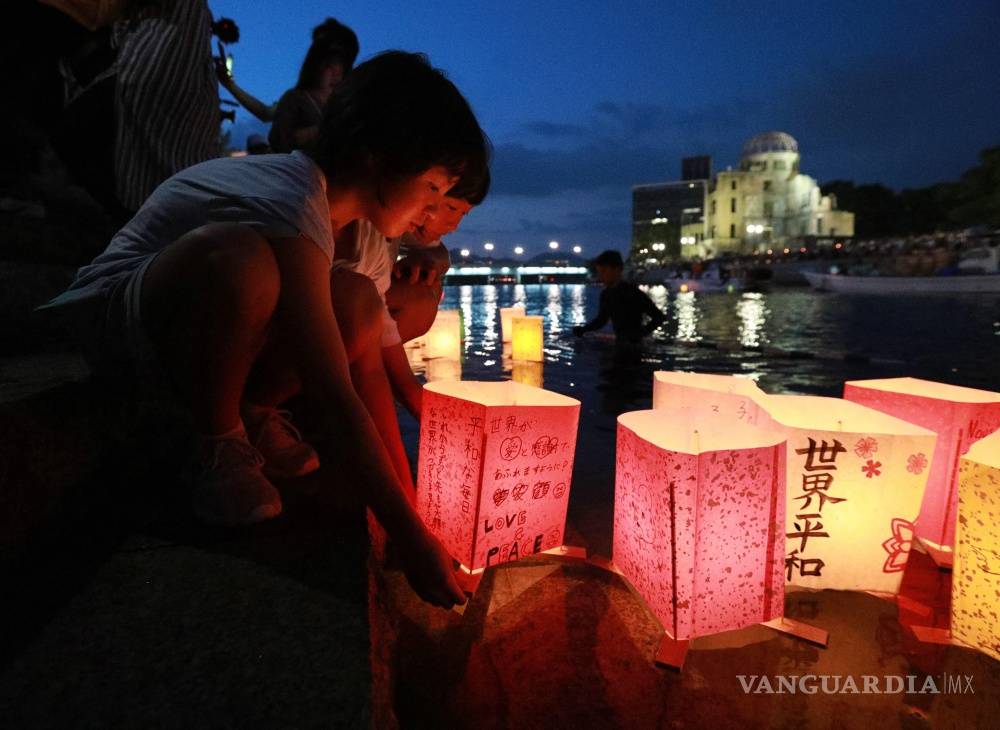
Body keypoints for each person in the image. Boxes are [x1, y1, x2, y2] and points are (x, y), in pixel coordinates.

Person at [43, 51, 489, 609]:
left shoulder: (352, 228)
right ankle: (219, 441)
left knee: (352, 301)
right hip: (118, 324)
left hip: (181, 337)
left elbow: (364, 373)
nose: (433, 209)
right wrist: (408, 534)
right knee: (242, 260)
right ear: (378, 158)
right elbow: (334, 389)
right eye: (430, 187)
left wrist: (409, 506)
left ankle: (250, 409)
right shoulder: (293, 195)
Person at [217, 18, 358, 152]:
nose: (336, 73)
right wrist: (230, 85)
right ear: (316, 64)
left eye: (341, 66)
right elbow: (268, 117)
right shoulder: (295, 100)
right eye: (329, 65)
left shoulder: (343, 105)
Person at [572, 250, 665, 343]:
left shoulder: (633, 293)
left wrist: (638, 335)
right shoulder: (606, 294)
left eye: (603, 271)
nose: (600, 276)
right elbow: (601, 320)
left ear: (617, 269)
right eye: (599, 272)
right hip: (622, 341)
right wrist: (583, 329)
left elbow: (659, 317)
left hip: (633, 347)